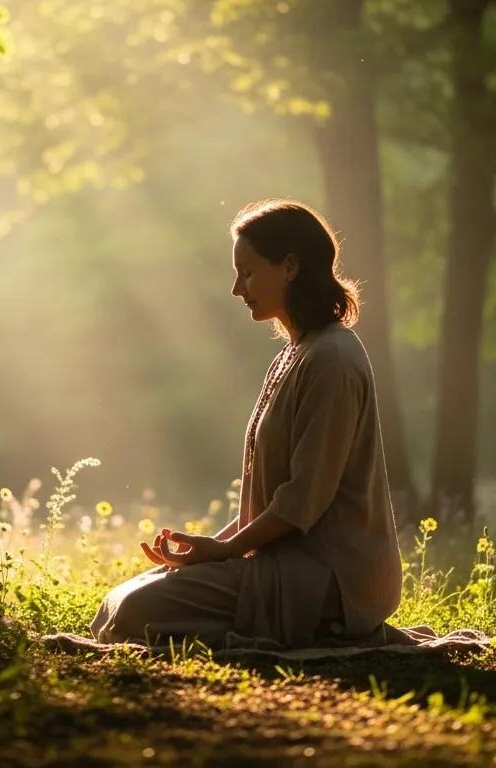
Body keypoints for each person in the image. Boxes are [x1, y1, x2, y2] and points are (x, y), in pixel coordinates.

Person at [88, 199, 403, 650]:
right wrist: (209, 549)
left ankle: (314, 629)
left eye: (249, 272)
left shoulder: (332, 358)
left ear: (290, 266)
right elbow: (271, 504)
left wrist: (224, 552)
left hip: (332, 579)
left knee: (137, 611)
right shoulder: (296, 354)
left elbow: (301, 502)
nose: (237, 288)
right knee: (120, 601)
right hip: (286, 563)